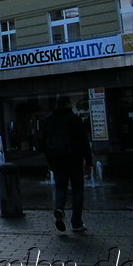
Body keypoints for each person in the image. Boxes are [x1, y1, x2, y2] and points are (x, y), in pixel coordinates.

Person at [42, 95, 93, 232]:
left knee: (60, 187)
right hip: (74, 159)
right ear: (68, 104)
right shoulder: (74, 119)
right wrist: (89, 162)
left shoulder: (48, 120)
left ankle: (59, 208)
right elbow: (84, 141)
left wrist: (49, 161)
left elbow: (44, 143)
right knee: (77, 189)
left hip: (57, 160)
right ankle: (76, 222)